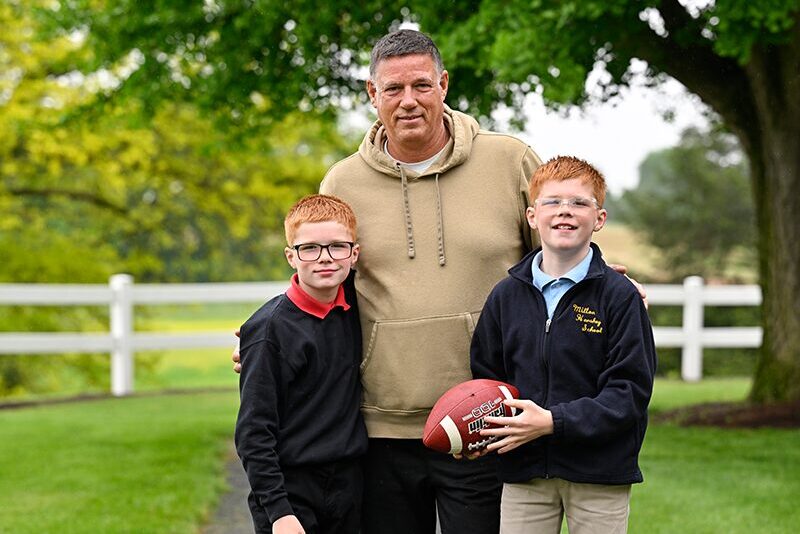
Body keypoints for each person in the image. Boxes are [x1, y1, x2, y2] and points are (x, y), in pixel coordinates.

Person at [233, 29, 644, 534]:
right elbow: (324, 276)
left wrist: (611, 290)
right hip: (379, 426)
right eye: (393, 89)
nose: (409, 101)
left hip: (485, 421)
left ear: (444, 85)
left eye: (422, 86)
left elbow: (559, 254)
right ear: (372, 94)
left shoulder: (508, 159)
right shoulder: (343, 181)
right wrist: (267, 341)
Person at [469, 156, 657, 534]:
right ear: (532, 216)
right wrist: (485, 429)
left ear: (599, 218)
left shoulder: (619, 298)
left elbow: (629, 393)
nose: (564, 212)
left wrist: (553, 422)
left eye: (579, 203)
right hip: (525, 472)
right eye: (552, 202)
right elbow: (487, 380)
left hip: (599, 471)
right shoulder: (506, 296)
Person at [235, 194, 367, 534]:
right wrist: (279, 512)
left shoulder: (359, 310)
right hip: (290, 493)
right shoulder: (269, 330)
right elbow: (253, 431)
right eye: (309, 248)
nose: (324, 259)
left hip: (349, 486)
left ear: (355, 254)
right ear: (291, 257)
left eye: (337, 247)